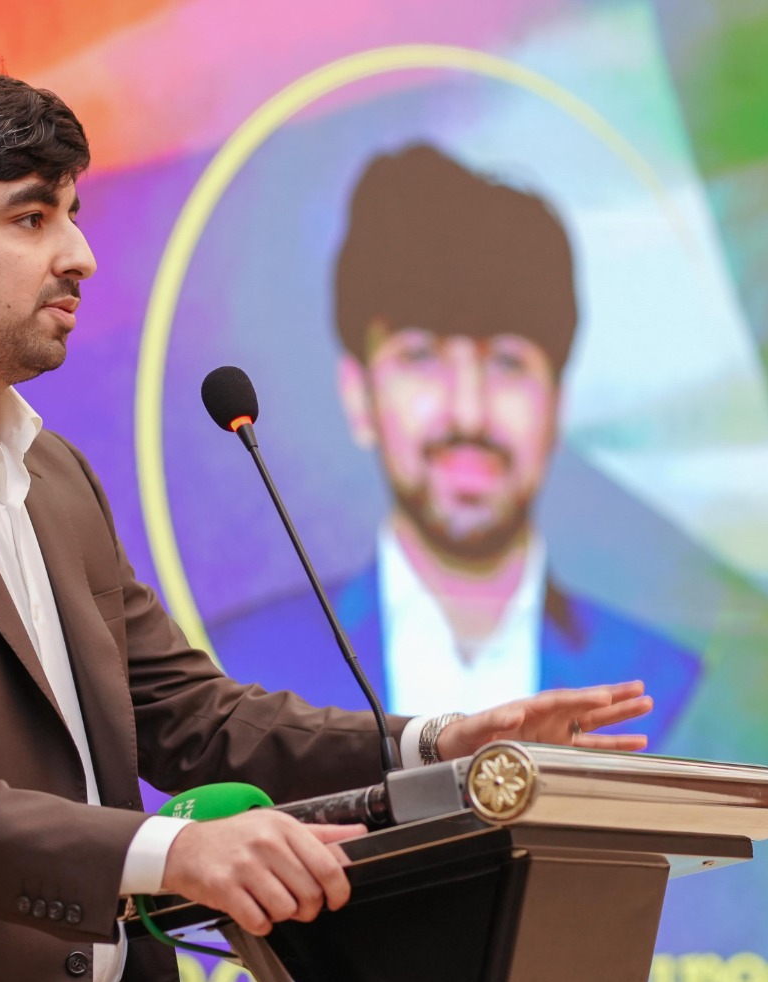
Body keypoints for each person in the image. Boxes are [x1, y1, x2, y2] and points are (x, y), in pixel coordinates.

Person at [0, 62, 653, 982]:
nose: (80, 255)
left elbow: (191, 718)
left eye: (71, 215)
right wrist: (175, 852)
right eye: (31, 219)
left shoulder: (52, 473)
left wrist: (438, 742)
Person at [212, 144, 702, 739]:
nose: (468, 411)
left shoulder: (671, 687)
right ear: (358, 395)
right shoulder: (238, 675)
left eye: (508, 361)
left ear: (558, 402)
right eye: (421, 356)